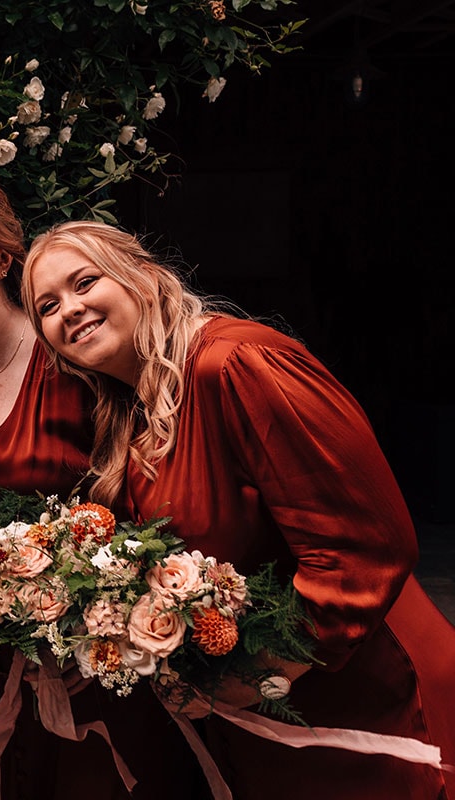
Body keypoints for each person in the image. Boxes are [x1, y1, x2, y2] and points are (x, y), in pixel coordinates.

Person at [22, 219, 455, 799]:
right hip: (276, 719)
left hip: (370, 695)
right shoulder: (131, 413)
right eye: (47, 306)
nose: (68, 310)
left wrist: (257, 675)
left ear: (141, 279)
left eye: (84, 282)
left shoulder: (234, 364)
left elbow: (365, 545)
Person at [0, 166, 174, 800]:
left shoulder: (77, 357)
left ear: (2, 256)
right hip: (9, 673)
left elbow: (157, 498)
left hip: (117, 670)